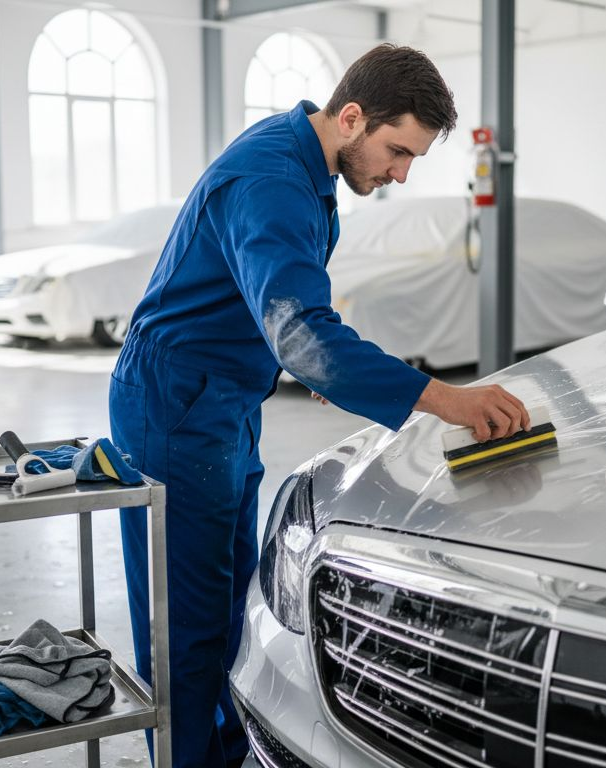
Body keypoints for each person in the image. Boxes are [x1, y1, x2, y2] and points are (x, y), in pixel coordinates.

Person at [111, 44, 528, 768]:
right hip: (174, 402)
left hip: (225, 399)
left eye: (413, 161)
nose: (400, 174)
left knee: (230, 599)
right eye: (398, 151)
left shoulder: (307, 165)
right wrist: (442, 399)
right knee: (186, 624)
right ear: (352, 117)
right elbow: (302, 336)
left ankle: (226, 753)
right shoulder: (271, 177)